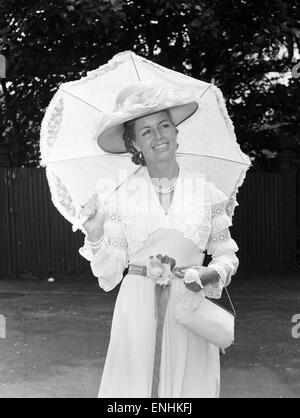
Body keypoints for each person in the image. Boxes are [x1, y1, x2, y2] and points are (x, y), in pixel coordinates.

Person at [78, 82, 239, 398]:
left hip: (189, 306)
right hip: (137, 309)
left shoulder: (206, 192)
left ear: (177, 132)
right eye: (146, 131)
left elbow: (225, 254)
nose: (158, 135)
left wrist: (209, 274)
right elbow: (108, 275)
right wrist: (96, 232)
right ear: (134, 143)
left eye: (164, 125)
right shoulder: (120, 197)